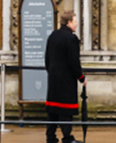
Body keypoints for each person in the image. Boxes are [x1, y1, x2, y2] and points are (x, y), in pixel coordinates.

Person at [44, 12, 83, 143]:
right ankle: (67, 138)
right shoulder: (71, 38)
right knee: (66, 111)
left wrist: (52, 73)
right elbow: (74, 62)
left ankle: (50, 137)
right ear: (69, 22)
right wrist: (81, 77)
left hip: (54, 80)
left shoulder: (53, 36)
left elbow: (47, 59)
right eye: (75, 21)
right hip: (66, 81)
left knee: (53, 110)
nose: (77, 24)